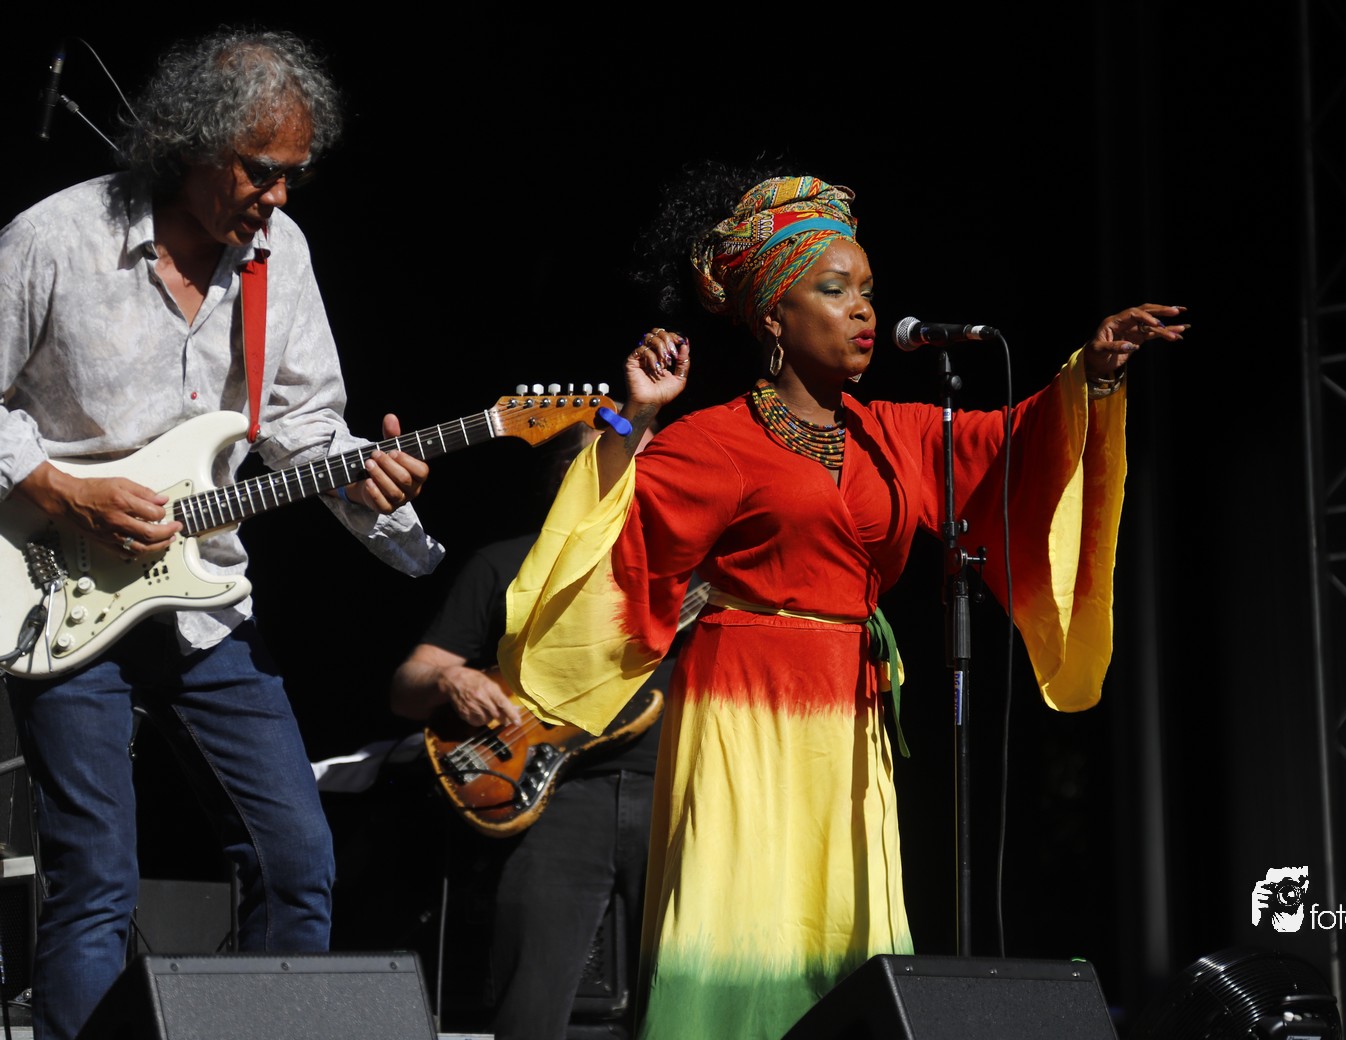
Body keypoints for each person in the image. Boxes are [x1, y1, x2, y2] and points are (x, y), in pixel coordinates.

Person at [499, 173, 1186, 1039]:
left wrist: (1094, 376)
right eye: (834, 289)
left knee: (846, 931)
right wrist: (635, 417)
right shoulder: (717, 439)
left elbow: (1016, 445)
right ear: (773, 318)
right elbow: (606, 532)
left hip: (853, 710)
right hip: (742, 709)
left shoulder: (894, 432)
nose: (863, 309)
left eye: (866, 289)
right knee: (743, 923)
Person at [0, 30, 441, 1040]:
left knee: (298, 861)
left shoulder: (282, 256)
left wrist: (367, 477)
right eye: (260, 170)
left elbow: (304, 422)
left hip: (205, 598)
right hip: (59, 589)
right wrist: (61, 489)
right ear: (190, 142)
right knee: (96, 878)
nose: (278, 196)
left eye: (295, 175)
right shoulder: (54, 239)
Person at [391, 427, 678, 1040]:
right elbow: (408, 684)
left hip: (677, 794)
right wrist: (449, 681)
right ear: (567, 477)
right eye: (623, 456)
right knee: (530, 1010)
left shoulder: (688, 572)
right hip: (554, 801)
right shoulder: (504, 563)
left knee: (688, 1007)